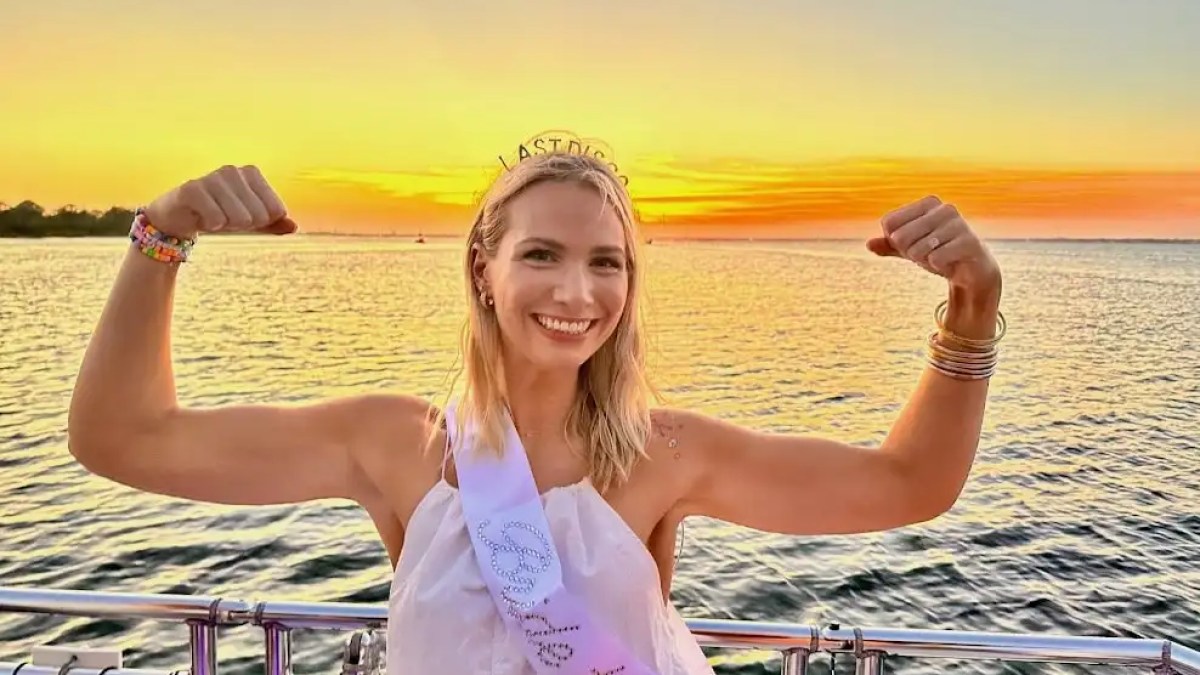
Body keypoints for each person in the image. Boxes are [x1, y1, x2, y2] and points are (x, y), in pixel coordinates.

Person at [67, 151, 1005, 674]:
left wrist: (972, 308)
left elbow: (907, 484)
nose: (577, 290)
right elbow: (122, 439)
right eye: (542, 254)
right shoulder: (398, 445)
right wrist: (161, 234)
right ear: (484, 267)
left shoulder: (664, 453)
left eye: (607, 261)